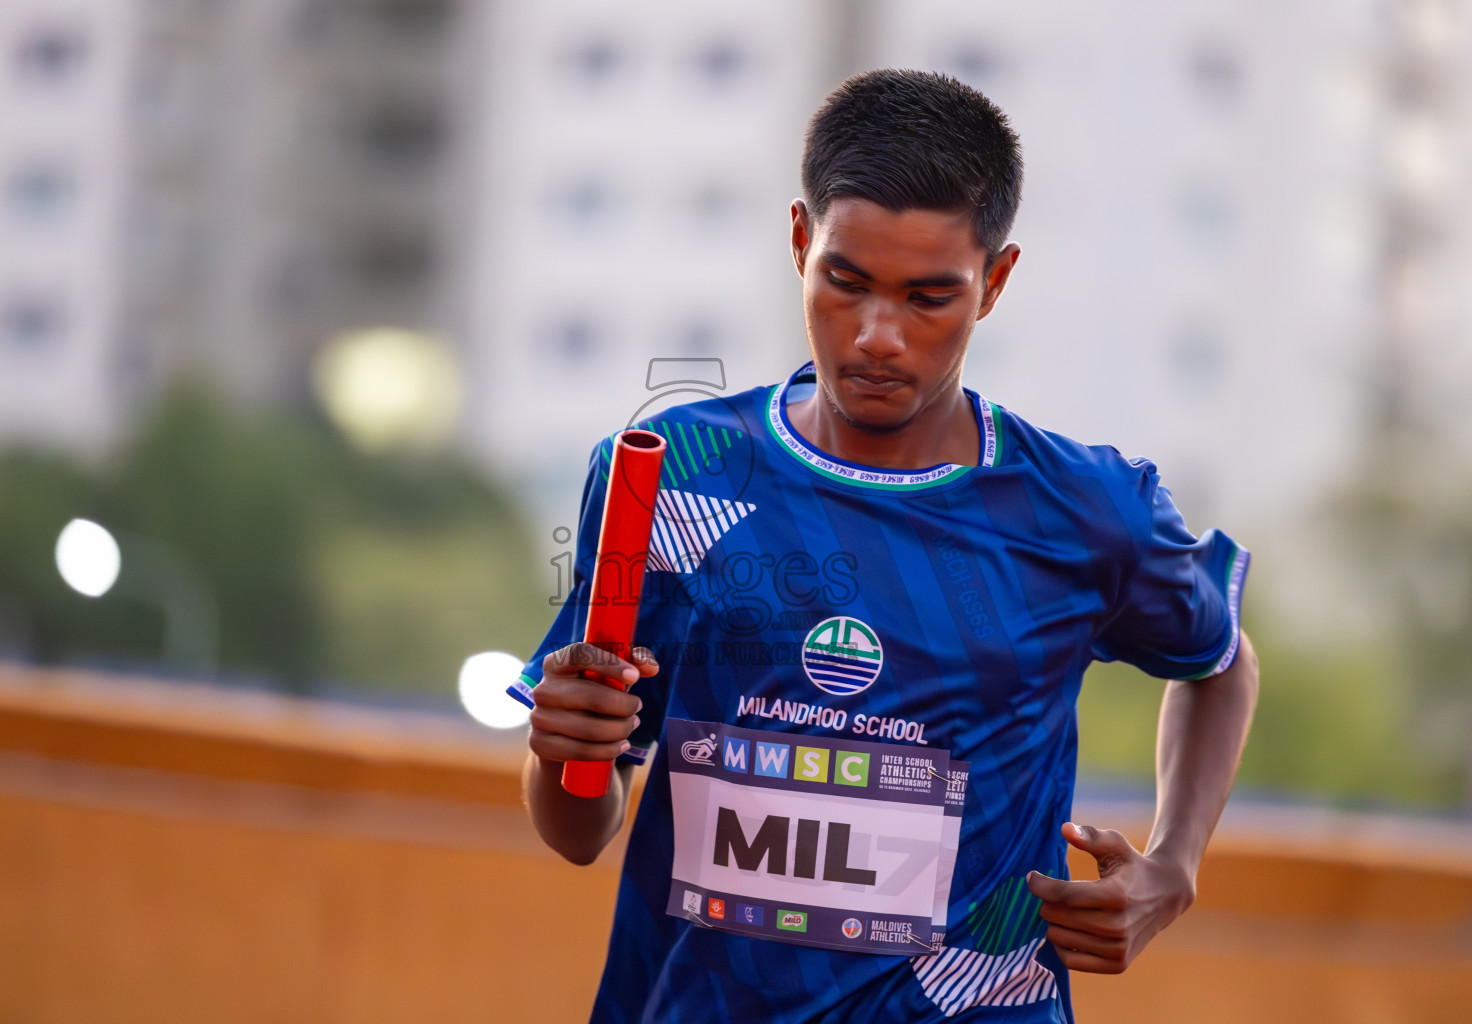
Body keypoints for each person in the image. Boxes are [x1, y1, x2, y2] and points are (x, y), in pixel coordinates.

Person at [510, 68, 1259, 1024]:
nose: (877, 336)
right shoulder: (670, 478)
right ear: (798, 243)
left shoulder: (1085, 510)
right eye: (847, 281)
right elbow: (580, 827)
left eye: (928, 298)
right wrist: (562, 751)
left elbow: (1221, 660)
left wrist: (1175, 865)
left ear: (995, 282)